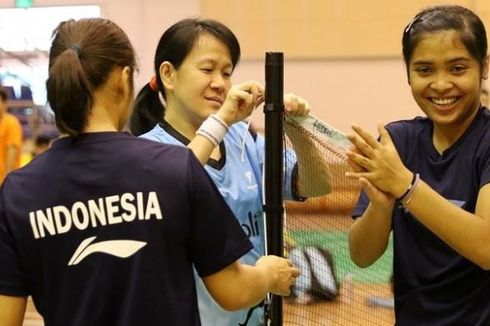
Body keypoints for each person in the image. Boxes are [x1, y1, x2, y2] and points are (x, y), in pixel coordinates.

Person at [0, 18, 300, 326]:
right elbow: (233, 290)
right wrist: (267, 274)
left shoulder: (17, 192)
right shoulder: (174, 167)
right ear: (124, 78)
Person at [130, 18, 330, 326]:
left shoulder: (242, 139)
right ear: (168, 74)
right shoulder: (145, 152)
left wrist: (298, 127)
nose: (220, 83)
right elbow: (176, 186)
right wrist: (222, 120)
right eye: (207, 70)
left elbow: (317, 185)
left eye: (226, 72)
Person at [347, 5, 490, 325]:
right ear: (408, 72)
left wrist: (406, 186)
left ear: (483, 68)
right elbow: (361, 255)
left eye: (457, 68)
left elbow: (486, 247)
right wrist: (381, 208)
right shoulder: (397, 142)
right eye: (424, 70)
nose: (440, 85)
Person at [0, 87, 23, 184]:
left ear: (5, 103)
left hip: (5, 182)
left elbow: (11, 154)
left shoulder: (12, 123)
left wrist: (4, 183)